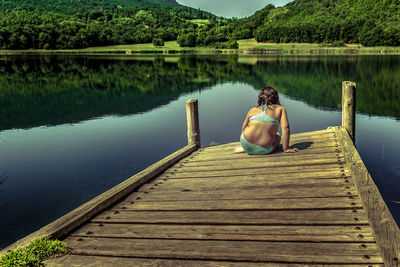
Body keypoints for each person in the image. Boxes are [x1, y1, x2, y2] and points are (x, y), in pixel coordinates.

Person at [234, 87, 299, 154]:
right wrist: (286, 149)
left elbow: (243, 128)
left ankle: (244, 148)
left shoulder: (252, 110)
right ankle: (260, 146)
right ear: (275, 97)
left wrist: (247, 142)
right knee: (278, 136)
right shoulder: (280, 109)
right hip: (265, 149)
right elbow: (286, 128)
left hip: (245, 143)